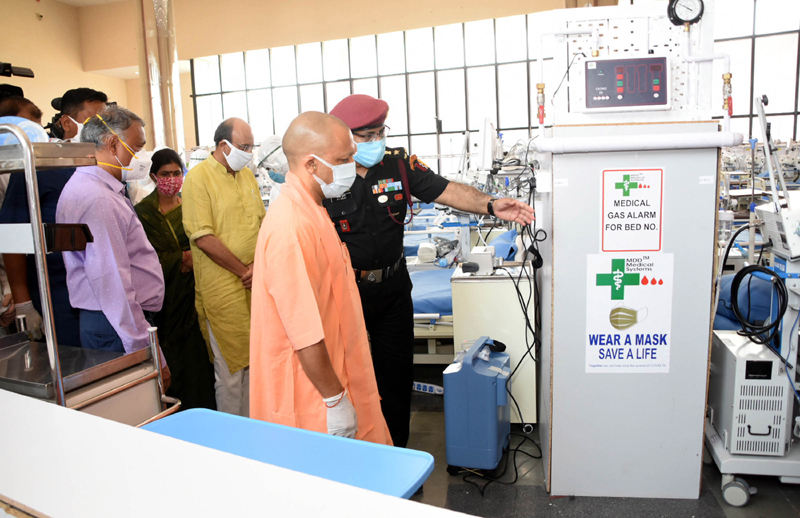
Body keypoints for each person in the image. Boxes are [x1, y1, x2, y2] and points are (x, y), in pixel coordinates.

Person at [327, 94, 535, 447]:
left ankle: (397, 453)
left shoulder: (398, 164)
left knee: (395, 378)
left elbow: (446, 190)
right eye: (366, 136)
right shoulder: (329, 173)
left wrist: (490, 204)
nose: (376, 142)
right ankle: (356, 455)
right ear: (345, 136)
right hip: (348, 292)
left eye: (380, 132)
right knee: (350, 377)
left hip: (393, 290)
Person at [249, 111, 392, 444]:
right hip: (312, 395)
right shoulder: (290, 227)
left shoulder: (313, 210)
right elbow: (304, 332)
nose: (351, 167)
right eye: (343, 159)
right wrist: (335, 400)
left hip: (338, 372)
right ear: (311, 165)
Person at [56, 106, 170, 387]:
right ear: (112, 143)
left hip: (109, 321)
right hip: (115, 325)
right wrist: (146, 351)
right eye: (138, 147)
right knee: (134, 408)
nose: (142, 157)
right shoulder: (99, 199)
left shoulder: (88, 187)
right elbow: (113, 284)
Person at [182, 118, 265, 416]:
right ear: (223, 146)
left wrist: (259, 264)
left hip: (255, 286)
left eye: (250, 147)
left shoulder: (246, 176)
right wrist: (245, 271)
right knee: (230, 374)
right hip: (224, 290)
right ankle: (232, 440)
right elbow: (202, 237)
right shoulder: (197, 178)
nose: (249, 153)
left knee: (255, 368)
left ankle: (255, 432)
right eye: (244, 147)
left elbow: (260, 225)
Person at [135, 149, 216, 410]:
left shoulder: (191, 204)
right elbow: (143, 258)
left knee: (201, 360)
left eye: (177, 173)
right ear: (153, 176)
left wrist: (194, 257)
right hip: (167, 302)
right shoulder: (143, 213)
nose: (172, 179)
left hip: (197, 294)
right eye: (165, 174)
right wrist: (180, 259)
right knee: (176, 360)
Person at [0, 95, 80, 344]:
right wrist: (22, 300)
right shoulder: (23, 169)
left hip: (81, 284)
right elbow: (11, 237)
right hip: (49, 286)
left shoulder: (74, 163)